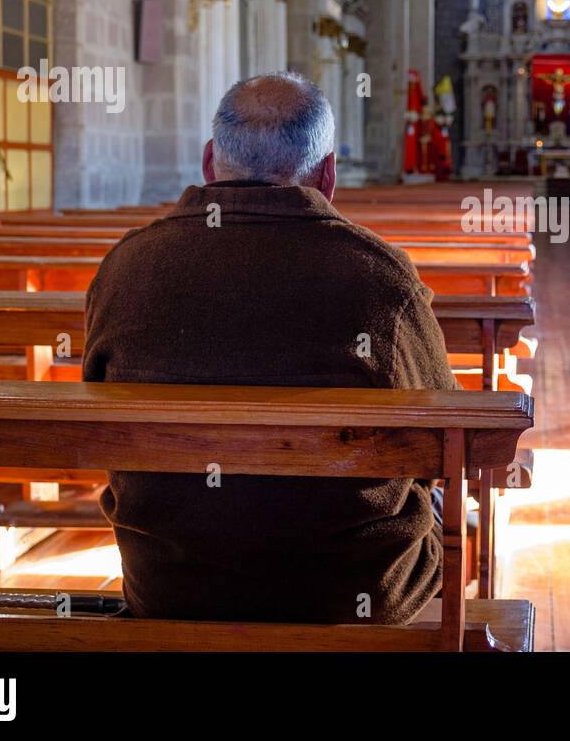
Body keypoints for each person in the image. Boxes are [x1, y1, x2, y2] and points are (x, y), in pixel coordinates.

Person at [84, 72, 456, 625]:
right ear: (328, 175)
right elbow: (442, 439)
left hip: (170, 586)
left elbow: (98, 415)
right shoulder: (381, 279)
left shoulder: (124, 269)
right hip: (351, 593)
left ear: (211, 162)